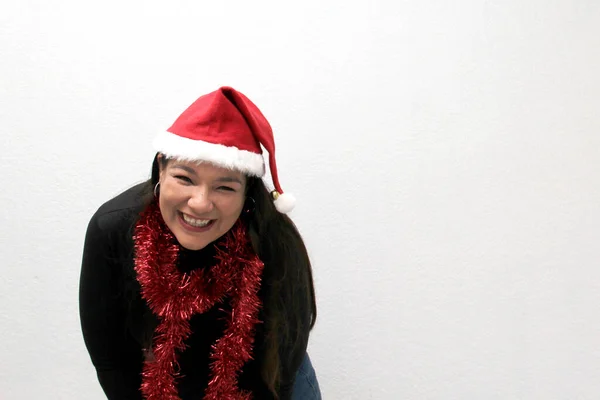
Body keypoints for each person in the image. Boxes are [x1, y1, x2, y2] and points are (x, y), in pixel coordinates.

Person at [79, 86, 321, 400]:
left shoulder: (275, 240)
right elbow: (110, 358)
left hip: (267, 381)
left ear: (247, 193)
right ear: (160, 169)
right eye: (184, 178)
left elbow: (283, 363)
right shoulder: (113, 228)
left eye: (224, 187)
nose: (200, 203)